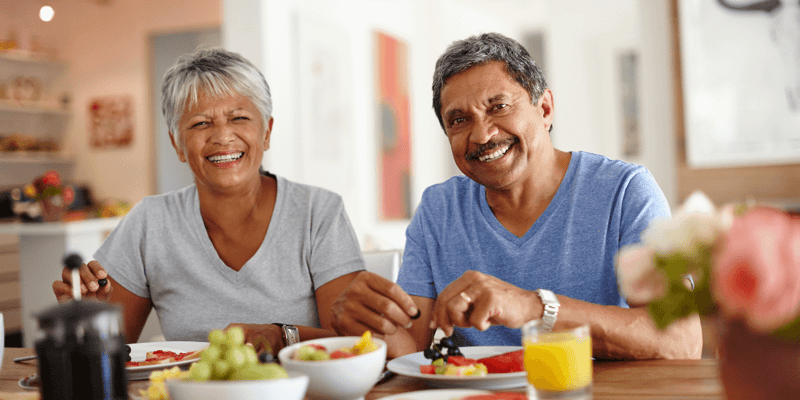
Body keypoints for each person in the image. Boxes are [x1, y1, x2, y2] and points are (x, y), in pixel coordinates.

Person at [331, 33, 702, 360]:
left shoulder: (625, 191)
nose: (481, 135)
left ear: (544, 109)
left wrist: (533, 307)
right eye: (458, 120)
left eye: (498, 106)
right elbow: (410, 347)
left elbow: (680, 340)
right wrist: (365, 323)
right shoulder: (438, 209)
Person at [52, 48, 365, 355]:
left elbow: (354, 344)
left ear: (266, 132)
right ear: (177, 142)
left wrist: (281, 336)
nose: (222, 137)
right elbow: (104, 353)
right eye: (201, 123)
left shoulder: (319, 212)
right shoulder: (150, 221)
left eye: (239, 118)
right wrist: (87, 318)